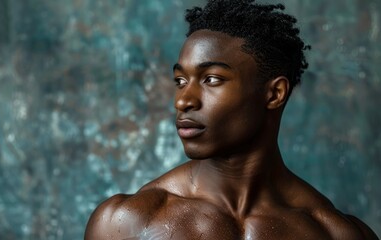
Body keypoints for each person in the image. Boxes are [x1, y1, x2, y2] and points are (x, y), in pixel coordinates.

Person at [85, 0, 379, 239]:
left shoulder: (336, 234)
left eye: (211, 79)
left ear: (274, 93)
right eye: (180, 80)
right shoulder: (126, 224)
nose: (183, 100)